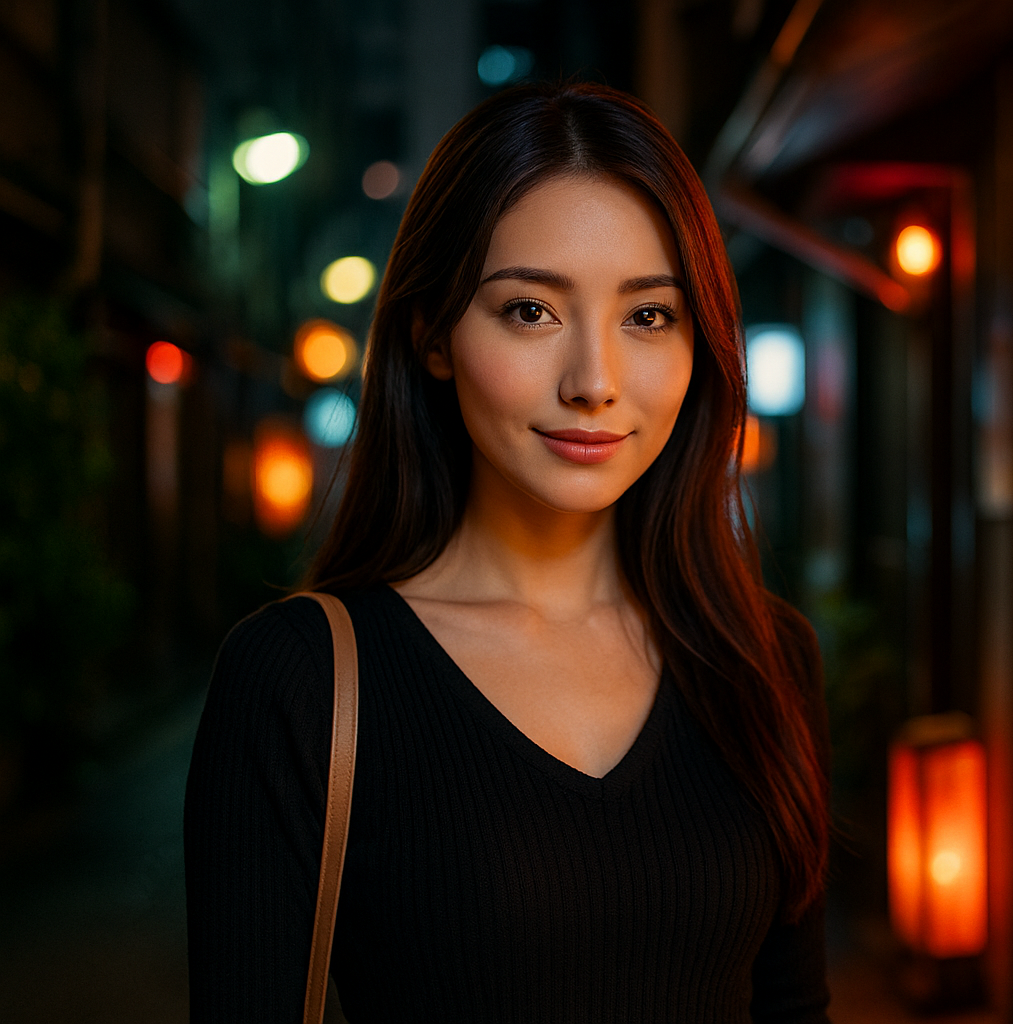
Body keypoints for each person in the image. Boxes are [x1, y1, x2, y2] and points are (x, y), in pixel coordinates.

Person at [184, 81, 831, 1023]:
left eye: (649, 315)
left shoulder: (764, 658)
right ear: (433, 334)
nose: (595, 383)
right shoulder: (302, 680)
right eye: (532, 310)